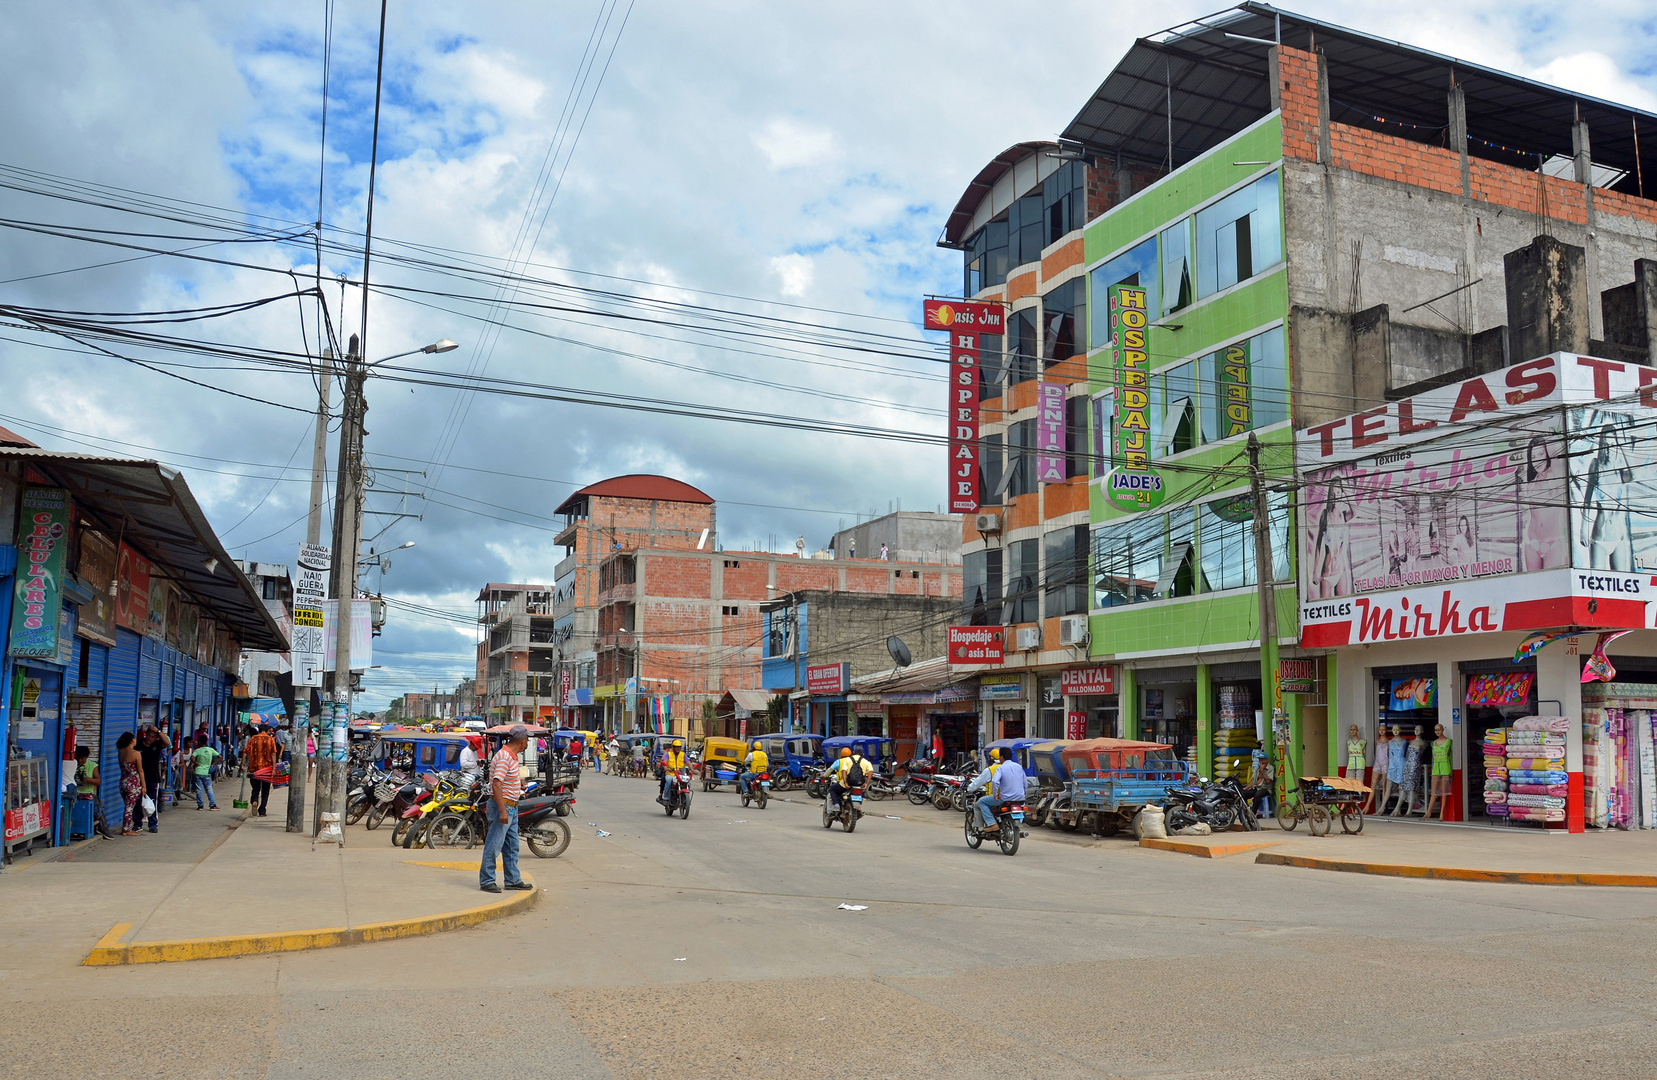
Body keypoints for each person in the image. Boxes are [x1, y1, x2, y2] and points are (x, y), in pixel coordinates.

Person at [479, 724, 531, 894]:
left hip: (511, 806)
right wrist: (502, 810)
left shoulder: (511, 756)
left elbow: (504, 780)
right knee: (494, 844)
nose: (528, 743)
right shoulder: (505, 757)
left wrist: (518, 784)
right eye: (527, 740)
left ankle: (513, 880)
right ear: (522, 741)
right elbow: (496, 783)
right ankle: (487, 880)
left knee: (511, 846)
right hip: (504, 806)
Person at [967, 747, 1027, 833]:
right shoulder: (1019, 767)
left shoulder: (1000, 768)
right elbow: (1025, 783)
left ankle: (992, 824)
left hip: (1005, 798)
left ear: (1001, 757)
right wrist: (1023, 793)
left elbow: (995, 781)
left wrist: (995, 794)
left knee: (981, 802)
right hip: (1020, 798)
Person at [137, 726, 171, 832]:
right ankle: (137, 824)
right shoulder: (138, 745)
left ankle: (153, 824)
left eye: (152, 737)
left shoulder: (157, 745)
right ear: (145, 735)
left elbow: (167, 743)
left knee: (152, 801)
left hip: (153, 778)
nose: (149, 738)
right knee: (138, 802)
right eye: (148, 736)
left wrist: (159, 731)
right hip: (139, 778)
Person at [243, 724, 279, 817]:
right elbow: (273, 754)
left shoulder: (253, 738)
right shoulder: (270, 739)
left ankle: (254, 800)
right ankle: (262, 810)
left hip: (254, 768)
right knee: (265, 790)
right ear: (267, 731)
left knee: (255, 788)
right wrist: (274, 768)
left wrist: (242, 765)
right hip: (267, 769)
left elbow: (245, 751)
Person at [825, 746, 872, 817]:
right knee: (861, 794)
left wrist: (845, 782)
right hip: (859, 785)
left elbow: (844, 771)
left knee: (833, 789)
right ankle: (859, 808)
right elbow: (870, 772)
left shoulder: (847, 760)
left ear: (853, 752)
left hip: (847, 785)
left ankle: (836, 805)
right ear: (863, 754)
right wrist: (866, 783)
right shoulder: (866, 762)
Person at [115, 732, 145, 835]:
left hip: (123, 781)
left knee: (128, 805)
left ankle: (128, 827)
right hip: (133, 783)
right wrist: (143, 786)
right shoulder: (136, 753)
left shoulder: (120, 752)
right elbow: (140, 770)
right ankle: (127, 829)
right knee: (129, 807)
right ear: (132, 740)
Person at [190, 735, 220, 810]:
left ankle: (200, 806)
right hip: (207, 773)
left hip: (198, 772)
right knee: (209, 789)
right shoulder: (211, 750)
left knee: (199, 789)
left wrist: (196, 763)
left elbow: (192, 757)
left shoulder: (197, 750)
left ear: (199, 742)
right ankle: (212, 805)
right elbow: (220, 757)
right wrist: (213, 764)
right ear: (206, 741)